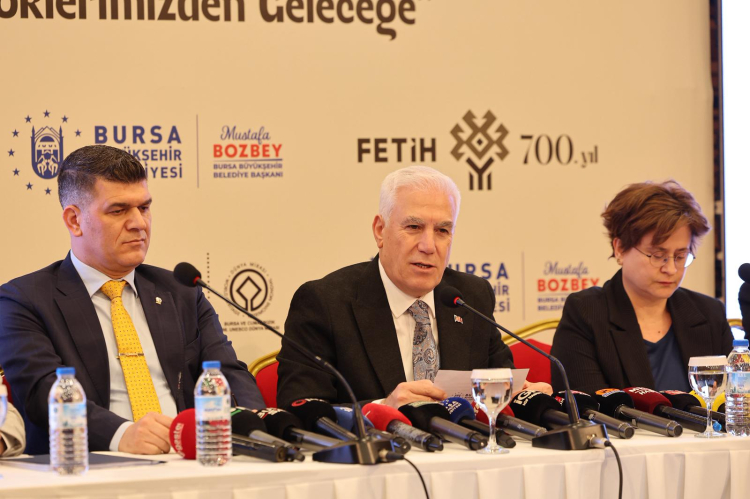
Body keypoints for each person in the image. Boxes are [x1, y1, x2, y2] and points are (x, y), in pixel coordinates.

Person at [0, 145, 264, 456]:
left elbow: (230, 374)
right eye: (118, 210)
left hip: (192, 459)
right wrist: (122, 434)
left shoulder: (182, 291)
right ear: (74, 221)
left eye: (144, 207)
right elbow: (42, 393)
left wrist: (255, 428)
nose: (139, 223)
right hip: (89, 465)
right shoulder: (24, 300)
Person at [277, 166, 551, 409]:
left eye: (442, 231)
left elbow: (498, 387)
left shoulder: (471, 297)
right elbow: (302, 408)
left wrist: (522, 397)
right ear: (380, 230)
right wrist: (383, 408)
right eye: (413, 226)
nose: (428, 246)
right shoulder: (324, 303)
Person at [550, 180, 735, 394]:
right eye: (657, 255)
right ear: (620, 249)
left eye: (680, 256)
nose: (671, 269)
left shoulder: (709, 313)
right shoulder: (586, 313)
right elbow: (588, 406)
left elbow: (735, 398)